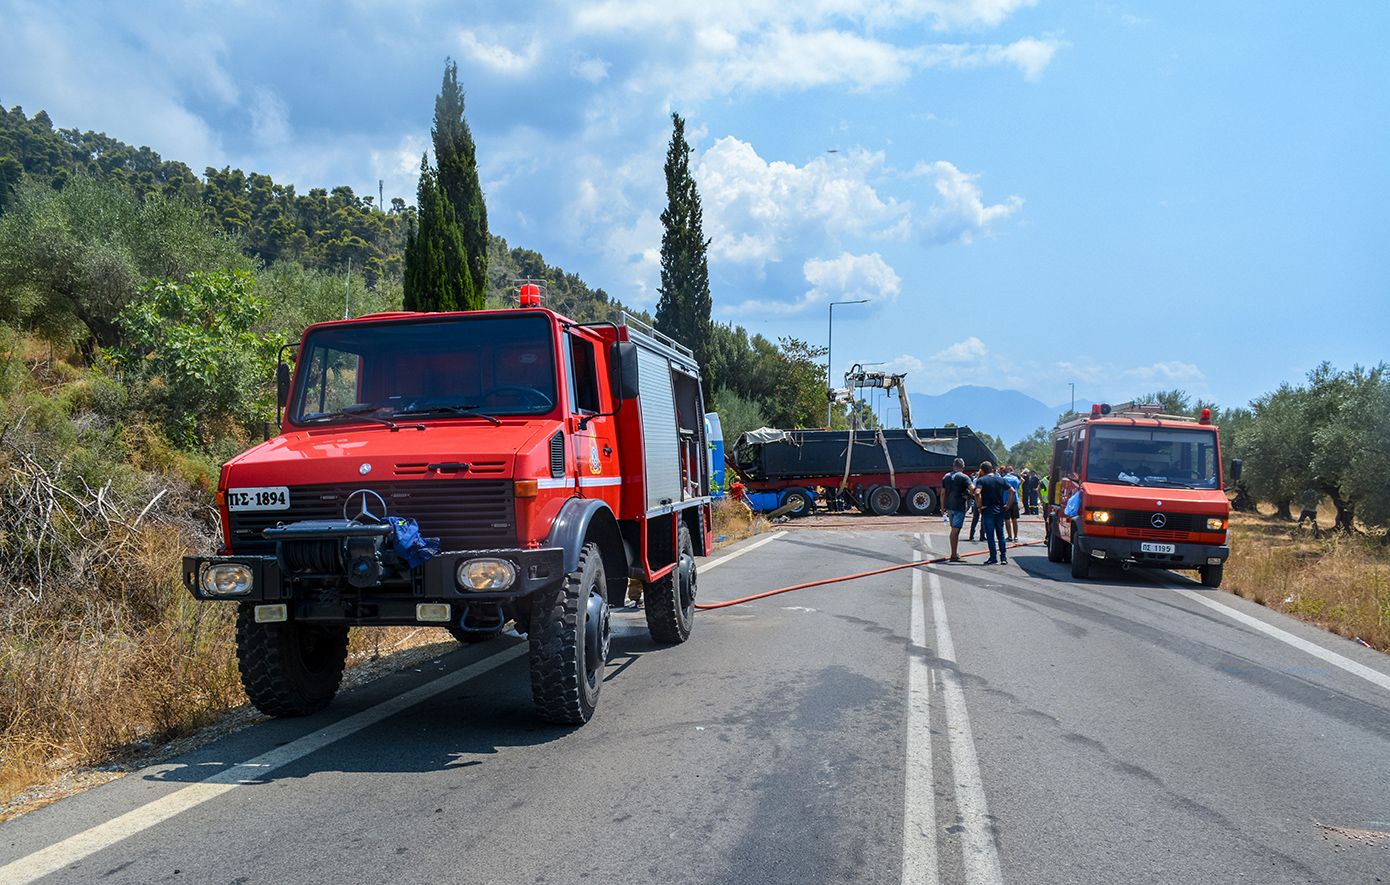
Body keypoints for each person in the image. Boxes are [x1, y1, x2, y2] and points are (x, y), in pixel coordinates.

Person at [974, 461, 1014, 565]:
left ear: (982, 470)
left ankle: (993, 557)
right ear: (992, 469)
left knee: (990, 535)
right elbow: (1012, 491)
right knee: (1000, 534)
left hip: (988, 510)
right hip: (1000, 509)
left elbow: (977, 493)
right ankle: (1004, 557)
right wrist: (1008, 505)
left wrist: (979, 506)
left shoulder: (982, 480)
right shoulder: (1001, 480)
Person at [940, 458, 975, 562]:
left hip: (949, 506)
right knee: (956, 530)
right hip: (959, 506)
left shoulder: (946, 477)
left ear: (953, 466)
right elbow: (973, 488)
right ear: (963, 467)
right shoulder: (964, 477)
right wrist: (969, 495)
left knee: (953, 529)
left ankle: (954, 552)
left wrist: (942, 508)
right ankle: (954, 555)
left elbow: (943, 493)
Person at [1002, 466, 1022, 541]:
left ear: (1003, 473)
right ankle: (1015, 536)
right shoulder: (1016, 478)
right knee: (1014, 519)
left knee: (1007, 519)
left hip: (1006, 501)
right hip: (1015, 500)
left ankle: (1009, 536)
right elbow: (1017, 488)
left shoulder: (1004, 479)